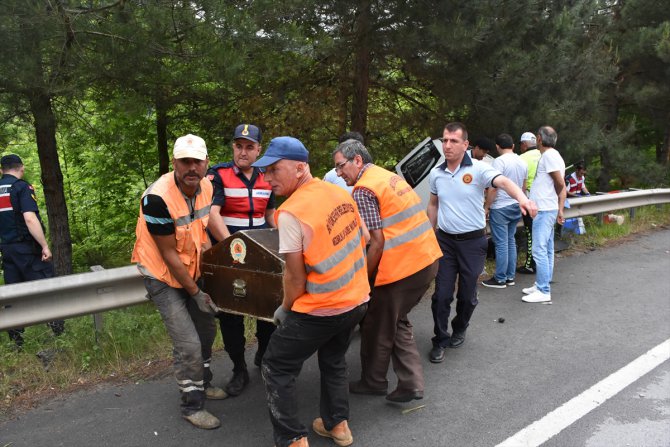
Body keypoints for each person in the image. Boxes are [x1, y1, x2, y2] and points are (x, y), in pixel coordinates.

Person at [254, 136, 370, 447]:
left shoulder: (291, 212)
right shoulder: (338, 192)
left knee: (276, 364)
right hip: (356, 300)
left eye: (275, 170)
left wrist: (286, 308)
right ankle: (337, 425)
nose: (267, 178)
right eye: (264, 171)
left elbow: (295, 276)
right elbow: (365, 236)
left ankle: (292, 438)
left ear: (300, 167)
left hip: (320, 309)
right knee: (333, 358)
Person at [333, 138, 441, 402]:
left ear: (357, 160)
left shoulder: (363, 189)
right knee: (395, 318)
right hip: (427, 260)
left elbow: (376, 241)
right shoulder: (386, 176)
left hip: (402, 269)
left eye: (340, 166)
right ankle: (411, 383)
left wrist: (363, 278)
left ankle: (373, 381)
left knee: (376, 325)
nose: (338, 173)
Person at [131, 134, 227, 430]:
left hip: (191, 269)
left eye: (197, 161)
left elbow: (202, 230)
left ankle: (203, 382)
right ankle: (191, 403)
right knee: (188, 343)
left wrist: (214, 271)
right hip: (162, 274)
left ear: (206, 162)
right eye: (185, 161)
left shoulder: (207, 186)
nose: (191, 168)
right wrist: (197, 292)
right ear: (174, 162)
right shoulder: (157, 198)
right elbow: (169, 254)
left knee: (207, 331)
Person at [427, 123, 536, 363]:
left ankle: (460, 326)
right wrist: (428, 233)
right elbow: (433, 204)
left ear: (465, 145)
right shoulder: (437, 173)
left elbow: (504, 183)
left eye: (453, 141)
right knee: (442, 295)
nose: (447, 145)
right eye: (445, 140)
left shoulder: (479, 169)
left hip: (473, 242)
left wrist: (523, 199)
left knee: (467, 295)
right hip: (445, 241)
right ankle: (440, 339)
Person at [206, 123, 276, 397]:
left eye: (249, 147)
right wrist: (232, 249)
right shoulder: (219, 174)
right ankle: (239, 369)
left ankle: (264, 356)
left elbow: (270, 215)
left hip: (260, 257)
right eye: (238, 146)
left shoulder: (266, 176)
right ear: (233, 147)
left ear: (259, 149)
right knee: (230, 316)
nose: (243, 152)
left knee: (268, 313)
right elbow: (213, 215)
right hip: (229, 257)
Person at [0, 154, 64, 348]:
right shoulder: (21, 187)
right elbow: (29, 218)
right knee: (45, 289)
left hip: (7, 251)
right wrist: (44, 245)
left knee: (13, 296)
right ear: (21, 168)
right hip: (26, 249)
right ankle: (60, 336)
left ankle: (17, 344)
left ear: (2, 170)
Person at [522, 126, 566, 303]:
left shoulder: (549, 156)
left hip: (545, 209)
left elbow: (560, 183)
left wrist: (552, 196)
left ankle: (543, 290)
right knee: (546, 249)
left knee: (539, 249)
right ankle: (542, 283)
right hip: (547, 208)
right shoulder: (551, 155)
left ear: (539, 138)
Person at [482, 133, 528, 288]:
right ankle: (510, 276)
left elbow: (493, 188)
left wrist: (487, 207)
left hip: (501, 207)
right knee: (510, 241)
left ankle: (500, 278)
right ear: (513, 146)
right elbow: (523, 187)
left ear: (497, 146)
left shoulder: (498, 162)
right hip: (516, 204)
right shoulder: (521, 161)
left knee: (501, 243)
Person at [517, 131, 541, 274]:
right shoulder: (543, 154)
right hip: (544, 200)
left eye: (521, 144)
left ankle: (530, 264)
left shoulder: (522, 158)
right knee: (541, 234)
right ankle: (541, 262)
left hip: (529, 199)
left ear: (524, 144)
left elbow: (520, 183)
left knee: (531, 233)